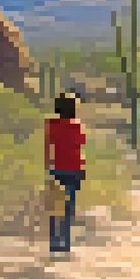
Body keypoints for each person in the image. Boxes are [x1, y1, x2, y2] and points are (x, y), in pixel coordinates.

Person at [44, 92, 86, 253]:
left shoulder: (51, 124)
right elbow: (79, 148)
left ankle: (54, 242)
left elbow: (48, 147)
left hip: (57, 169)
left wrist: (47, 168)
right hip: (75, 169)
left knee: (55, 206)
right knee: (69, 207)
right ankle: (66, 242)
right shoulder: (78, 125)